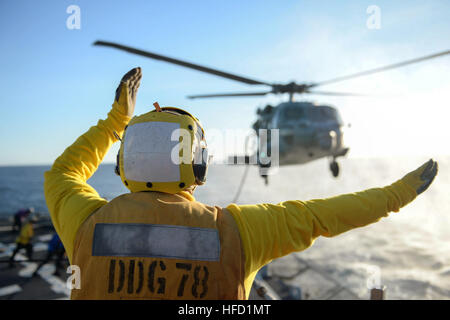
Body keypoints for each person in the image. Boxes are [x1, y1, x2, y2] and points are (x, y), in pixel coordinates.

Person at [44, 68, 438, 300]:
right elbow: (324, 216)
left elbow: (64, 172)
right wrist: (396, 195)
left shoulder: (84, 223)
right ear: (197, 163)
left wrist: (116, 121)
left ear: (124, 163)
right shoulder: (240, 231)